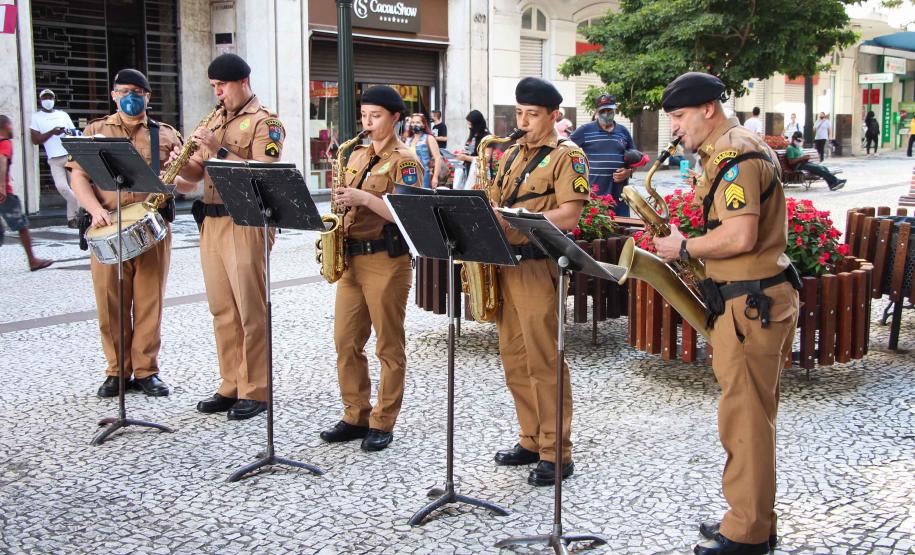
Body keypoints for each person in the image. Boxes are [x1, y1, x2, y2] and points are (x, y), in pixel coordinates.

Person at [653, 72, 799, 555]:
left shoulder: (735, 155)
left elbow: (740, 237)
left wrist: (684, 246)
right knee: (745, 416)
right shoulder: (726, 150)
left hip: (750, 304)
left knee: (746, 420)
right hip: (745, 300)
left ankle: (749, 534)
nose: (674, 128)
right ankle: (748, 516)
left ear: (707, 109)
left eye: (678, 116)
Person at [173, 53, 284, 420]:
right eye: (214, 87)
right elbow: (195, 176)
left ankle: (256, 389)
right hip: (212, 220)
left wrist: (217, 147)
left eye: (222, 86)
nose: (218, 94)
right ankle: (231, 383)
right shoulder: (217, 119)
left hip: (246, 221)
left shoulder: (265, 123)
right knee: (222, 308)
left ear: (242, 82)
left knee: (250, 309)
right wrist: (182, 161)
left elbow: (261, 173)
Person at [490, 77, 588, 486]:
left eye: (533, 115)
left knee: (544, 361)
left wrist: (516, 220)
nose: (524, 121)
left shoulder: (569, 156)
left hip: (537, 266)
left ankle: (556, 451)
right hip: (505, 265)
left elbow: (571, 214)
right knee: (514, 359)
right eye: (520, 113)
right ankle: (530, 438)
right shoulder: (511, 153)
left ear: (554, 116)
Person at [67, 69, 187, 398]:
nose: (130, 96)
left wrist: (177, 179)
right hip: (107, 226)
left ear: (148, 97)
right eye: (123, 91)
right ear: (113, 95)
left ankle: (147, 370)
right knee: (110, 301)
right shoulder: (95, 131)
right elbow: (78, 177)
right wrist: (94, 210)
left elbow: (184, 179)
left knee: (150, 302)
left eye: (137, 91)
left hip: (151, 228)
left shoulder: (164, 135)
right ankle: (117, 370)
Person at [318, 86, 420, 452]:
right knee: (345, 341)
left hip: (385, 260)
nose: (367, 122)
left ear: (395, 117)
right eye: (364, 115)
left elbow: (408, 215)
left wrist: (363, 198)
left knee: (388, 345)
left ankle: (383, 420)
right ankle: (355, 415)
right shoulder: (354, 154)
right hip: (351, 258)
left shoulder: (406, 160)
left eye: (375, 116)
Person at [0, 114, 53, 272]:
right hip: (4, 194)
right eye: (11, 125)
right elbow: (2, 161)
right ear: (7, 126)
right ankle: (32, 260)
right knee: (21, 225)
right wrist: (2, 186)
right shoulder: (4, 143)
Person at [569, 94, 635, 215]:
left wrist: (628, 172)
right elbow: (566, 150)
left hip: (619, 191)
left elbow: (635, 158)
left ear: (615, 110)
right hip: (595, 190)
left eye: (609, 110)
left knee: (621, 226)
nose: (606, 114)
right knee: (596, 225)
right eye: (602, 111)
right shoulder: (585, 130)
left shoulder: (623, 131)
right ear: (596, 112)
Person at [29, 89, 80, 227]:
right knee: (63, 188)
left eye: (50, 97)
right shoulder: (36, 117)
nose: (48, 100)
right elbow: (35, 139)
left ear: (54, 99)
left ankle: (72, 219)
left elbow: (74, 132)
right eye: (45, 97)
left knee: (77, 186)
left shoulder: (62, 115)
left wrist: (65, 131)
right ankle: (80, 207)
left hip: (69, 155)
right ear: (40, 100)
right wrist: (52, 132)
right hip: (54, 159)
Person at [452, 109, 490, 189]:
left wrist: (466, 158)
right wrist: (462, 154)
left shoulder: (487, 137)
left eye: (471, 124)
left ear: (476, 124)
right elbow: (469, 151)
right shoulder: (473, 135)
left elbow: (486, 158)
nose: (469, 126)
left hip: (479, 175)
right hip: (467, 172)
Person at [403, 113, 442, 188]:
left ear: (423, 124)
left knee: (422, 196)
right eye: (413, 122)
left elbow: (438, 158)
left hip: (424, 173)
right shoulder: (408, 139)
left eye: (418, 122)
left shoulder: (429, 138)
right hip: (408, 173)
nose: (415, 125)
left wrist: (435, 177)